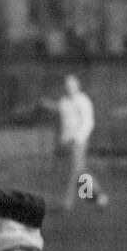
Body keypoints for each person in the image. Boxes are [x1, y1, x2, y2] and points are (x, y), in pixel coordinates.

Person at [42, 74, 108, 211]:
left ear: (77, 86)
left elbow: (88, 122)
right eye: (67, 85)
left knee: (74, 171)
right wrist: (46, 104)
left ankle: (67, 203)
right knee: (81, 170)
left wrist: (78, 139)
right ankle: (98, 197)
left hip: (79, 142)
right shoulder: (65, 101)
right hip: (67, 142)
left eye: (72, 85)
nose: (69, 88)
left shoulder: (83, 101)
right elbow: (58, 108)